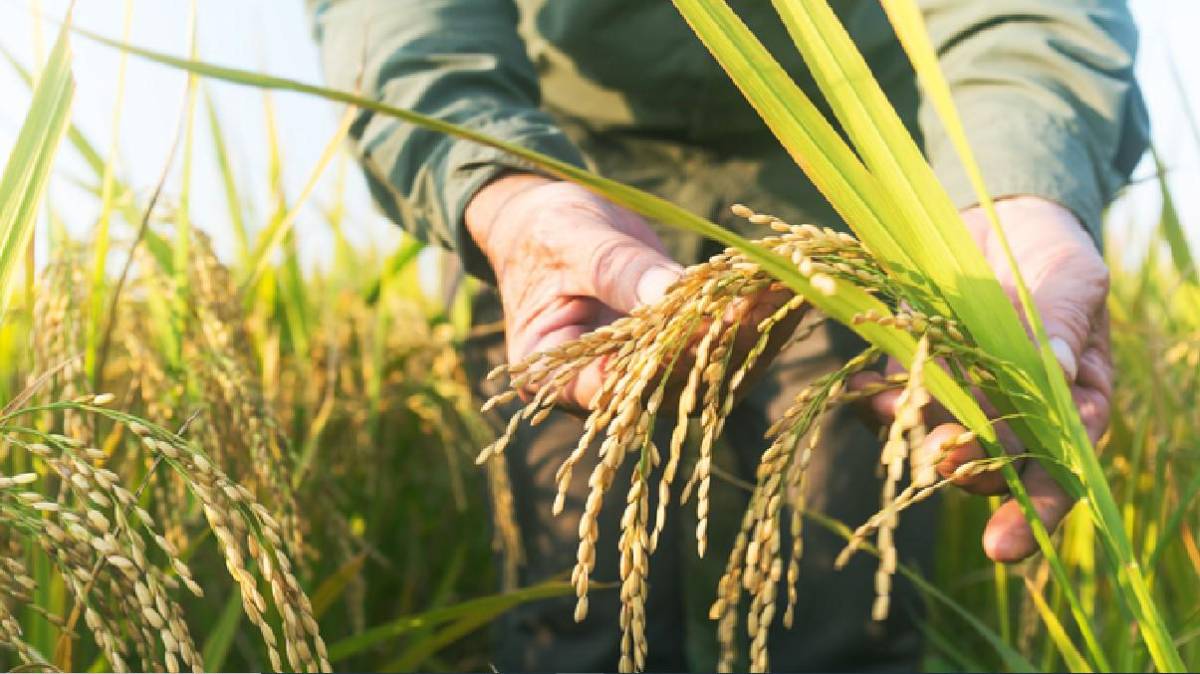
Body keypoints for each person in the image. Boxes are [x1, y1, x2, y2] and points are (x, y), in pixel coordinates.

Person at [309, 1, 1147, 670]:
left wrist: (1019, 195)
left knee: (841, 607)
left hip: (849, 176)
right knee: (571, 608)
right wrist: (498, 185)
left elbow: (1026, 15)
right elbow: (404, 20)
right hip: (559, 166)